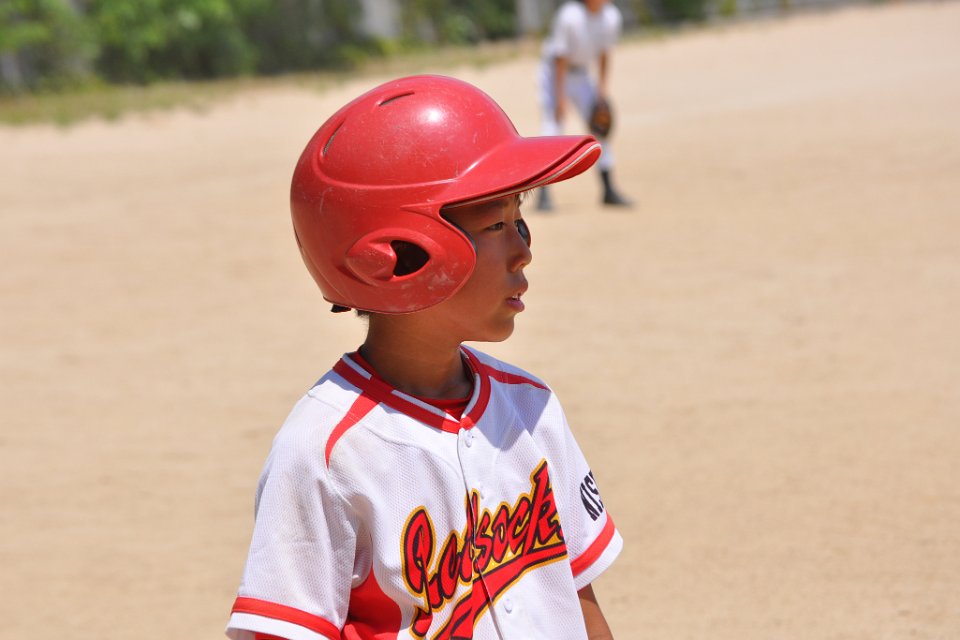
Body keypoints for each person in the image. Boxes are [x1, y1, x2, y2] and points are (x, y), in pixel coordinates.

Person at [226, 74, 622, 640]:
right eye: (496, 225)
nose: (524, 251)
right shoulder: (325, 451)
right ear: (400, 254)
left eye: (521, 219)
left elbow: (576, 596)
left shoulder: (531, 408)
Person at [537, 0, 632, 210]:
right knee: (552, 127)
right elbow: (559, 58)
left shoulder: (610, 16)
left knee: (599, 125)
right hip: (554, 75)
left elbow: (605, 54)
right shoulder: (570, 16)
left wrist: (602, 92)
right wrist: (560, 99)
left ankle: (608, 189)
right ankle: (543, 193)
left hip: (582, 75)